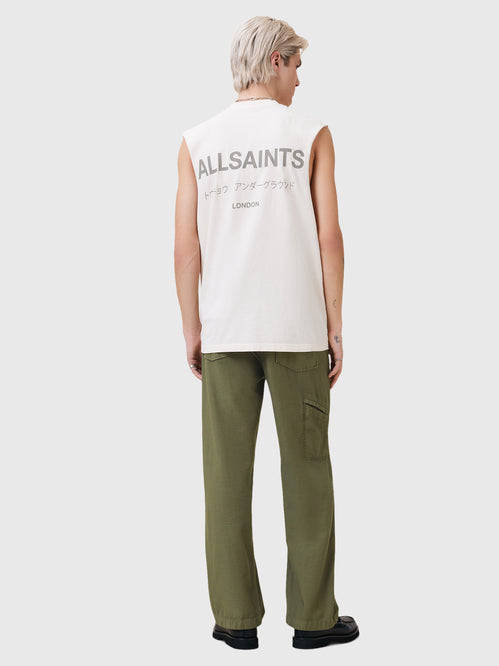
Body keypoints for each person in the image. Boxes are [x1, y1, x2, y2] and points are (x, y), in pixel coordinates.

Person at [174, 16, 359, 650]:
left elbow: (186, 248)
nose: (300, 80)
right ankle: (313, 620)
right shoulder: (311, 134)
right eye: (297, 66)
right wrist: (336, 324)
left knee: (225, 477)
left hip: (225, 329)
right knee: (307, 472)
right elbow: (329, 237)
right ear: (276, 59)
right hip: (297, 327)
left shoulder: (196, 142)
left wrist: (192, 329)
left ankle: (234, 620)